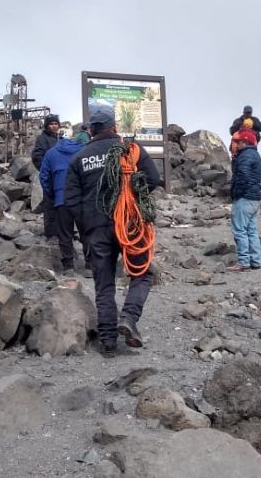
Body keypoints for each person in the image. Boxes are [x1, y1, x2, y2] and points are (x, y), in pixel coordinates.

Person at [65, 109, 160, 357]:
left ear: (92, 130)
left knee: (103, 283)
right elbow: (153, 178)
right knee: (143, 273)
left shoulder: (79, 158)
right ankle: (128, 317)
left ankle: (108, 342)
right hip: (129, 224)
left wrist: (86, 227)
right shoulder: (131, 149)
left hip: (96, 229)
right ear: (114, 127)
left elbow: (71, 200)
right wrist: (135, 199)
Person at [39, 133, 88, 272]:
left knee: (65, 233)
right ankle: (90, 266)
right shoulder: (84, 151)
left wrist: (53, 194)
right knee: (86, 232)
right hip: (81, 199)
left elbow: (44, 177)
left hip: (62, 199)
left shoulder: (51, 153)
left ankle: (68, 267)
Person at [227, 130, 261, 271]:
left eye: (239, 142)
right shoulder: (256, 155)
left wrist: (238, 192)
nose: (237, 144)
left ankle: (243, 261)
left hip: (244, 198)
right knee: (252, 230)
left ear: (245, 142)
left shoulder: (244, 156)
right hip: (255, 198)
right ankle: (255, 260)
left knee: (240, 230)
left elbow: (243, 175)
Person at [32, 114, 61, 240]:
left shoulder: (59, 138)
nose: (54, 126)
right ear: (46, 125)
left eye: (56, 124)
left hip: (59, 177)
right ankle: (50, 233)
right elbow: (37, 157)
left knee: (60, 204)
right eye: (51, 124)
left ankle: (60, 231)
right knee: (49, 204)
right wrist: (46, 171)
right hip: (50, 177)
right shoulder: (42, 138)